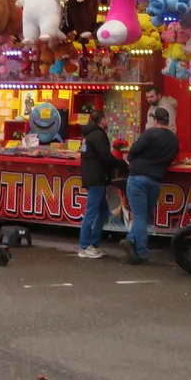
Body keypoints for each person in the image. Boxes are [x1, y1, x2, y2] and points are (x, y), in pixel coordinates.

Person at [121, 107, 179, 265]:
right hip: (156, 180)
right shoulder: (174, 140)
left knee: (139, 216)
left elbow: (134, 149)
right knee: (146, 216)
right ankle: (130, 240)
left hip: (138, 177)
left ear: (155, 120)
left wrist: (131, 158)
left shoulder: (150, 133)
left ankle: (141, 252)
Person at [78, 110, 124, 259]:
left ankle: (93, 244)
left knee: (103, 212)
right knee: (91, 212)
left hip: (93, 177)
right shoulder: (99, 135)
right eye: (106, 119)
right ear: (102, 120)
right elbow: (106, 156)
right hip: (97, 178)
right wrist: (122, 163)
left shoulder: (89, 135)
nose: (107, 122)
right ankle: (85, 246)